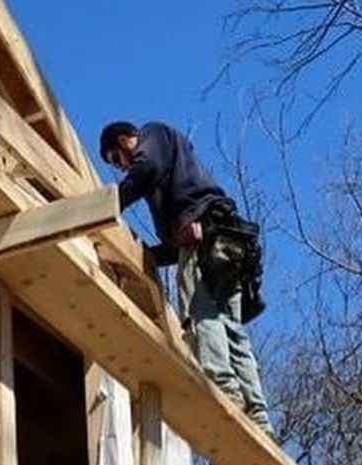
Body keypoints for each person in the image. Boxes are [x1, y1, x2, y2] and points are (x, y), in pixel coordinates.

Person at [99, 119, 273, 434]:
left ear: (125, 141)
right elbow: (172, 247)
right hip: (225, 239)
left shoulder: (151, 136)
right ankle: (258, 413)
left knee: (202, 315)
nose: (122, 168)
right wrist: (147, 256)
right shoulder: (172, 165)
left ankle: (225, 393)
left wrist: (105, 205)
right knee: (230, 325)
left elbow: (144, 169)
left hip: (202, 237)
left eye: (117, 160)